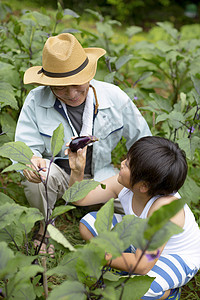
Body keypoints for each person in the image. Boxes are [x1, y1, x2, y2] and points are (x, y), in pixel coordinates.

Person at [14, 33, 151, 256]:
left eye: (77, 84)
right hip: (59, 176)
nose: (72, 94)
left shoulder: (114, 97)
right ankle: (46, 226)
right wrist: (31, 160)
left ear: (89, 74)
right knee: (39, 178)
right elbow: (25, 145)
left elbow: (143, 140)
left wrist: (144, 174)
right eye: (60, 88)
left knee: (141, 203)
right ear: (49, 84)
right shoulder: (35, 101)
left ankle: (112, 222)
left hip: (102, 178)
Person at [66, 136, 200, 300]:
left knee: (134, 290)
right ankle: (124, 267)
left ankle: (168, 292)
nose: (122, 163)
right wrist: (77, 171)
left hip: (175, 258)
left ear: (143, 186)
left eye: (128, 164)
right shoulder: (122, 184)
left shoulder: (164, 211)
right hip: (141, 241)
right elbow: (79, 198)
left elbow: (143, 265)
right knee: (88, 225)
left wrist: (100, 256)